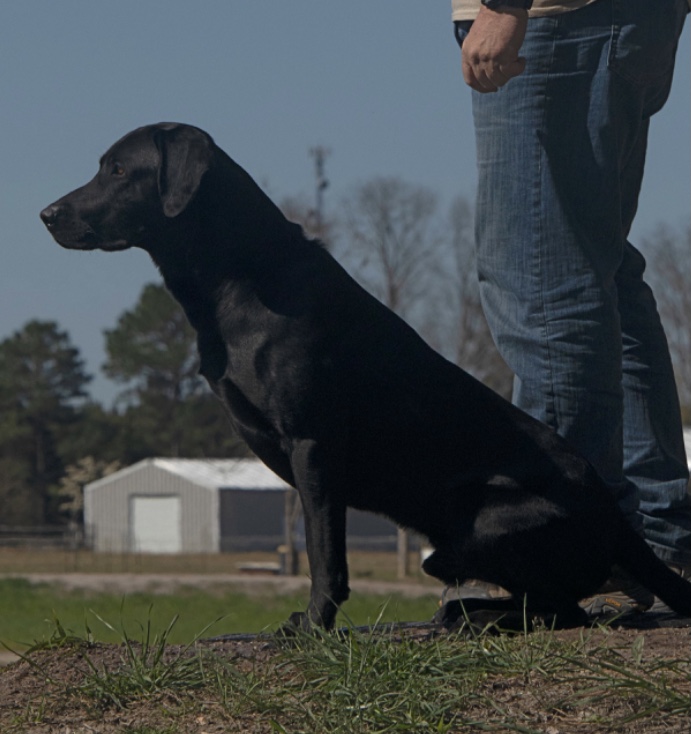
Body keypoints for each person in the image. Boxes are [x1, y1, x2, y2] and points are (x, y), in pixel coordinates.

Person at [451, 0, 691, 612]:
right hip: (608, 18)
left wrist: (505, 6)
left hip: (562, 17)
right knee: (595, 268)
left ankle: (568, 545)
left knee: (542, 278)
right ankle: (654, 536)